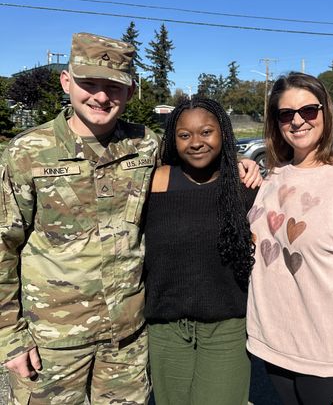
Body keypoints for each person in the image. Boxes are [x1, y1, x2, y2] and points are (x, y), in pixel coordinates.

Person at [0, 31, 261, 404]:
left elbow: (193, 171)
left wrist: (238, 165)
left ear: (130, 89)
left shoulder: (146, 145)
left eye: (114, 86)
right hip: (53, 341)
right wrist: (10, 338)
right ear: (66, 81)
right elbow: (3, 245)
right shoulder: (27, 152)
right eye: (89, 83)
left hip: (127, 340)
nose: (101, 96)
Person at [246, 72, 333, 405]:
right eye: (286, 114)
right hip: (272, 345)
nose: (298, 121)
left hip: (324, 358)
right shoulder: (274, 174)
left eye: (308, 110)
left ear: (326, 112)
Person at [143, 97, 257, 405]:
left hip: (227, 328)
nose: (196, 142)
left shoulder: (246, 186)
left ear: (223, 133)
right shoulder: (156, 182)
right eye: (184, 135)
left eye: (206, 132)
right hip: (166, 329)